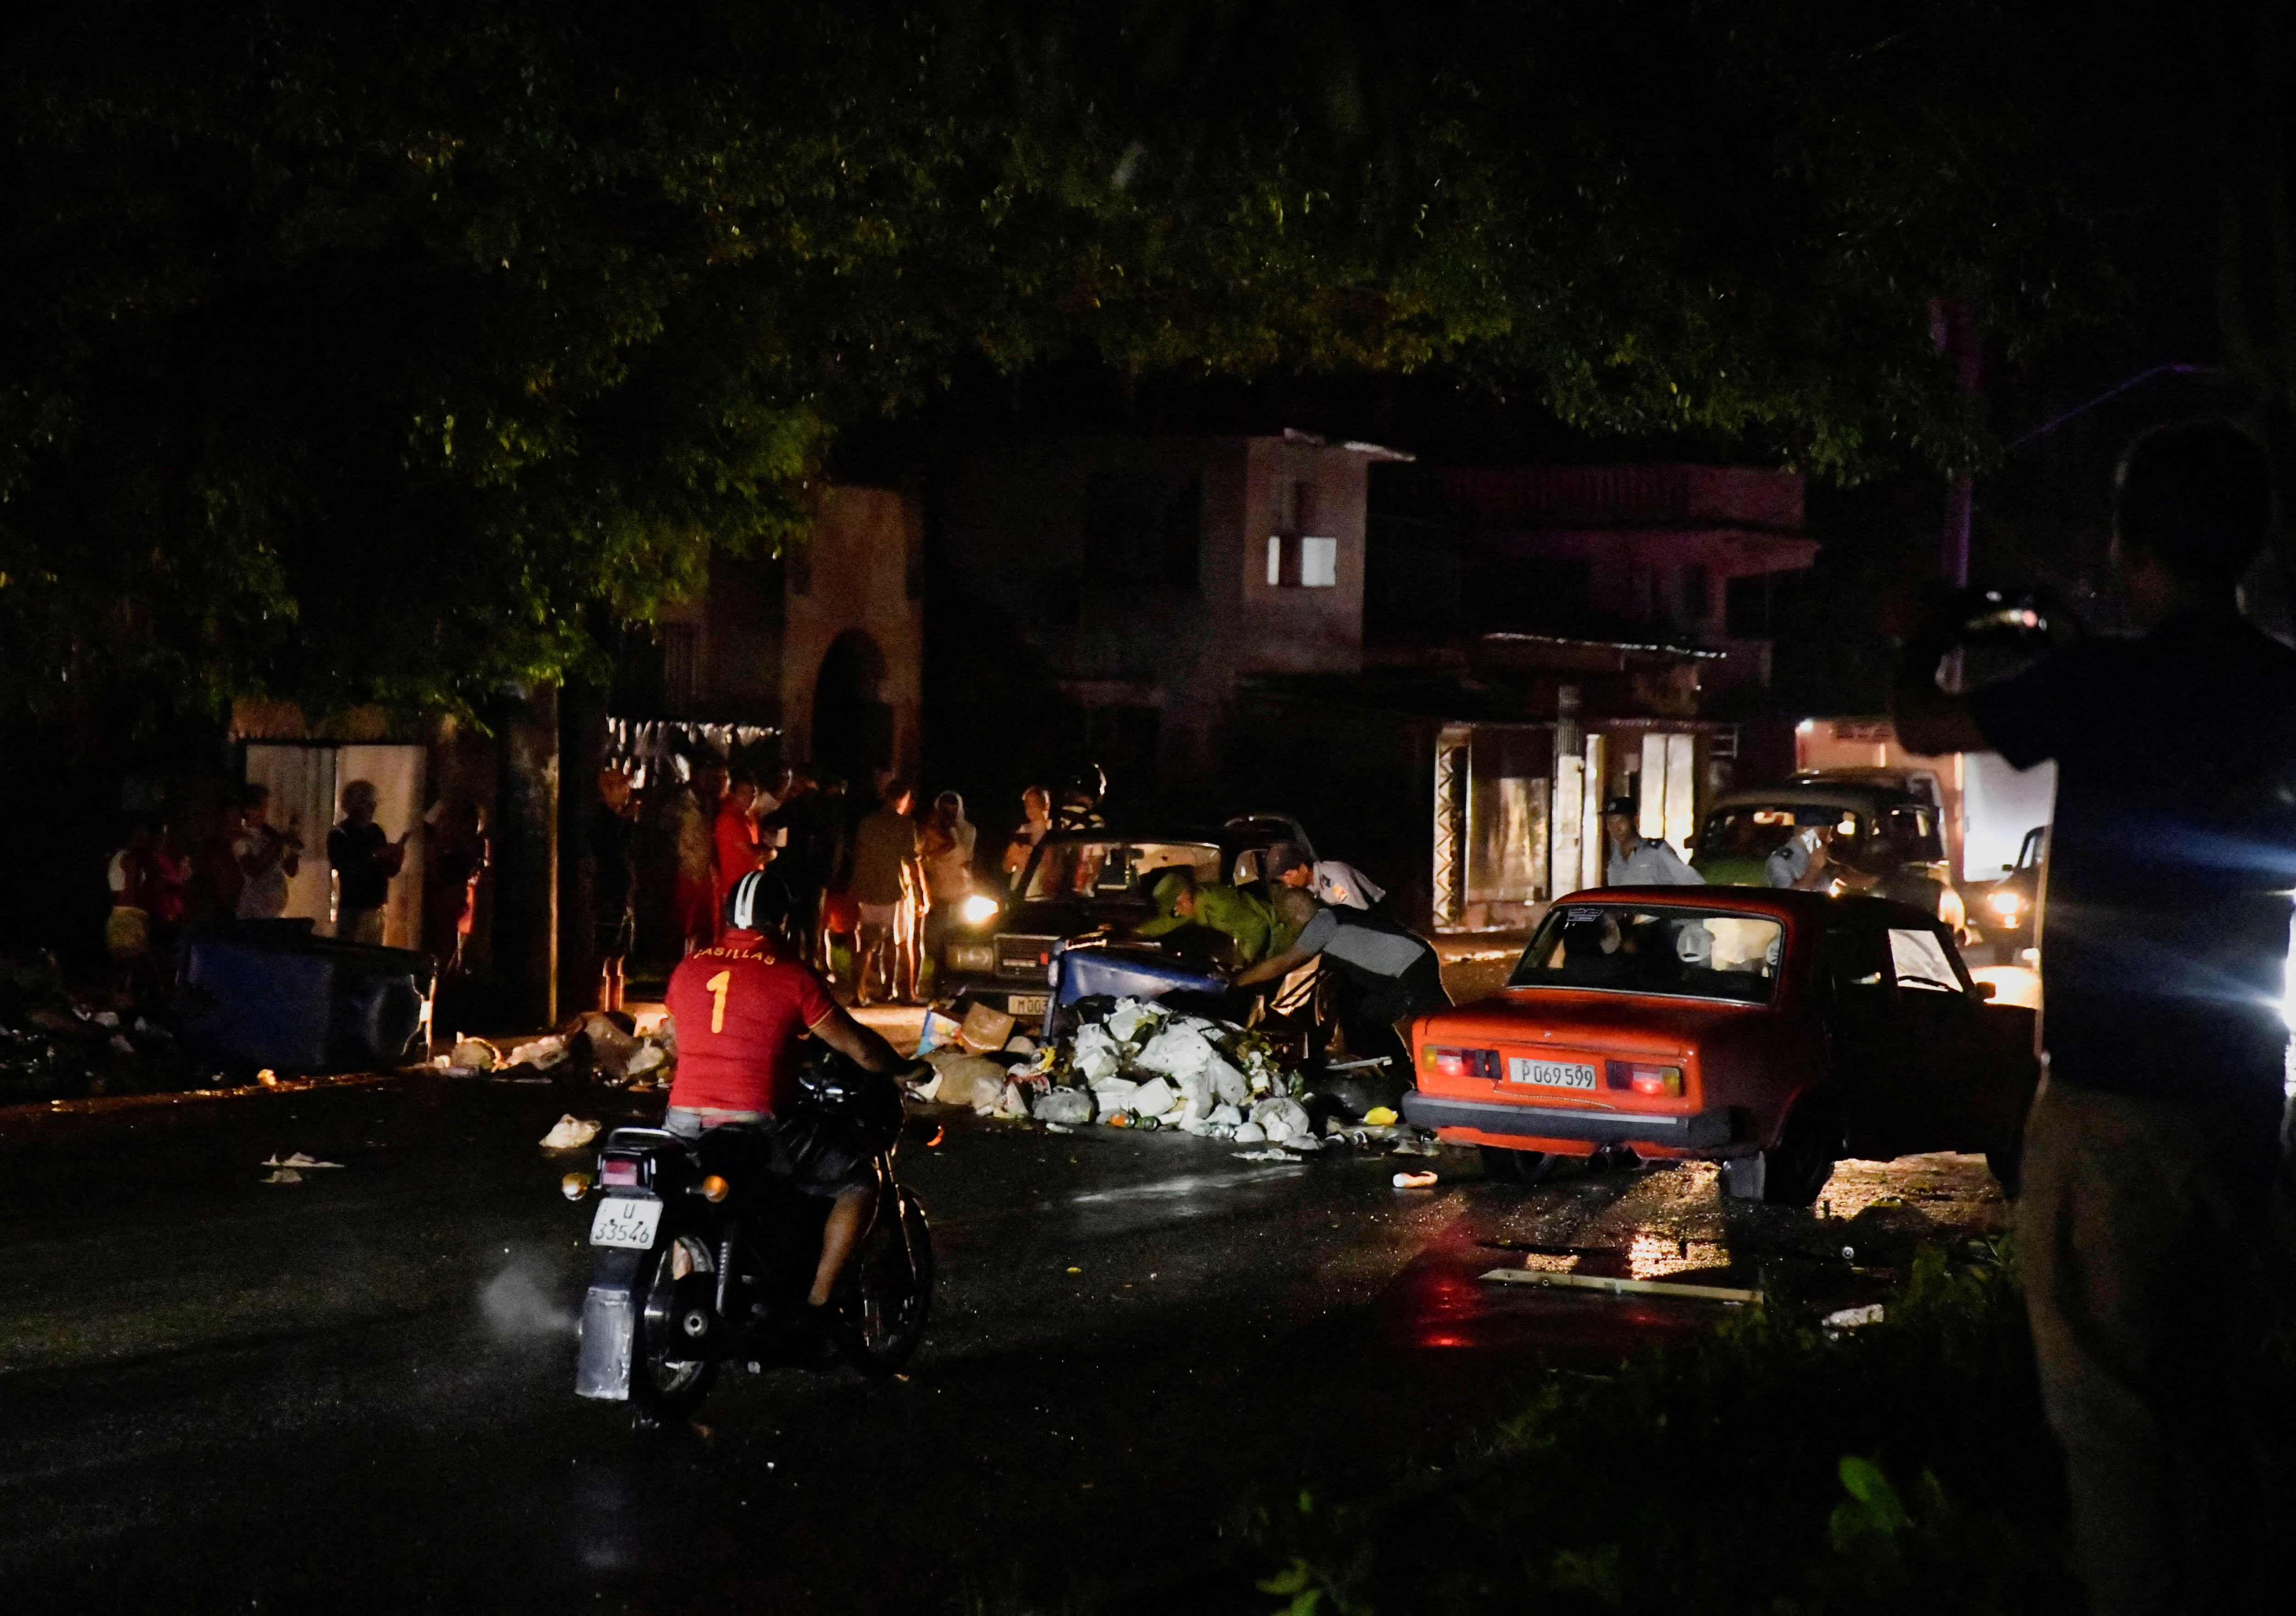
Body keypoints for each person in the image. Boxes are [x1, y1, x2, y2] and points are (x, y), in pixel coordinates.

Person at [1891, 420, 2292, 1616]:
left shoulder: (2103, 683)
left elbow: (1924, 723)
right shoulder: (2280, 683)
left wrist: (1922, 637)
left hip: (2111, 1092)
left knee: (2109, 1410)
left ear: (2136, 548)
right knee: (2231, 1401)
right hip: (2240, 1091)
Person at [662, 870, 909, 1348]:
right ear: (782, 920)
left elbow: (674, 1040)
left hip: (682, 1120)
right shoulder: (791, 974)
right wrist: (905, 1070)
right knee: (859, 1181)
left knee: (682, 1200)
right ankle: (819, 1306)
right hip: (755, 1123)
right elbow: (859, 1049)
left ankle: (684, 1286)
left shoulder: (688, 968)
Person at [1234, 889, 1452, 1075]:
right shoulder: (1336, 915)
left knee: (1436, 1028)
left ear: (1298, 912)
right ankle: (1399, 1069)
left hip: (1410, 965)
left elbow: (1285, 962)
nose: (1289, 927)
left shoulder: (1322, 923)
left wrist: (1239, 981)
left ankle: (1409, 1073)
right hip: (1416, 956)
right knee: (1367, 1018)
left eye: (1287, 920)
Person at [846, 779, 917, 1006]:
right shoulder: (904, 824)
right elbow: (910, 859)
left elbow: (858, 854)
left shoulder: (867, 823)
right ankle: (906, 994)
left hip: (868, 890)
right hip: (894, 889)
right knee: (902, 943)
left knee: (867, 944)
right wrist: (920, 892)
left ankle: (859, 994)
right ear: (901, 799)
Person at [1135, 867, 1278, 968]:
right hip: (1251, 934)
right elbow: (1168, 922)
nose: (1177, 912)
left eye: (1176, 907)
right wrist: (1137, 932)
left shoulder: (1219, 903)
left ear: (1184, 899)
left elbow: (1256, 926)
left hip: (1275, 931)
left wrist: (1248, 961)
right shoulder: (1194, 903)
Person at [327, 781, 407, 945]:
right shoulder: (340, 834)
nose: (373, 808)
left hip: (377, 907)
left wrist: (397, 857)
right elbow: (344, 865)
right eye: (368, 804)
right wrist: (376, 855)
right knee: (352, 957)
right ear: (355, 806)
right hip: (354, 909)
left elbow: (388, 871)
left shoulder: (375, 831)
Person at [591, 768, 640, 1012]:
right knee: (605, 956)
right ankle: (604, 1011)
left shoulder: (615, 819)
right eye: (623, 788)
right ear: (608, 790)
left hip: (621, 893)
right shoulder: (603, 820)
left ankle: (615, 1010)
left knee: (618, 957)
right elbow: (612, 853)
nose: (627, 793)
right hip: (609, 894)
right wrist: (627, 823)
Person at [422, 800, 488, 977]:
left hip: (455, 895)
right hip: (446, 897)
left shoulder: (469, 845)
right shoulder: (442, 844)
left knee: (452, 940)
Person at [670, 754, 727, 953]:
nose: (713, 782)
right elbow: (682, 843)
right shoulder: (684, 805)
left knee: (706, 926)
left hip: (705, 874)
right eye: (710, 776)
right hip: (691, 873)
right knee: (690, 926)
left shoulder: (709, 804)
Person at [916, 790, 976, 963]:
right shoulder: (929, 828)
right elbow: (922, 854)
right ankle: (936, 958)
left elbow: (963, 854)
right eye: (945, 810)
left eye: (952, 810)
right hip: (937, 885)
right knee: (936, 927)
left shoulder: (967, 830)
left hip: (959, 886)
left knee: (960, 926)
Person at [233, 784, 303, 919]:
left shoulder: (270, 837)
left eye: (265, 807)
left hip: (273, 911)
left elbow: (290, 871)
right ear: (247, 810)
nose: (264, 812)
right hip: (253, 912)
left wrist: (294, 849)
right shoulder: (241, 838)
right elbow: (253, 868)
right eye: (260, 807)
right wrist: (280, 841)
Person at [1603, 799, 1704, 886]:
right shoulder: (1614, 861)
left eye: (1621, 821)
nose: (1616, 828)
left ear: (1636, 821)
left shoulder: (1656, 852)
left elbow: (1694, 882)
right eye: (1611, 823)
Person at [714, 771, 767, 919]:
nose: (749, 798)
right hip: (736, 890)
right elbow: (754, 854)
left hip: (748, 887)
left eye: (753, 794)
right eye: (744, 793)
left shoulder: (746, 818)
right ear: (732, 793)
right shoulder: (728, 820)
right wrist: (772, 852)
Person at [187, 794, 247, 924]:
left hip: (230, 912)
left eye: (239, 814)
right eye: (234, 814)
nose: (239, 819)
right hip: (216, 915)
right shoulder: (214, 847)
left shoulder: (237, 845)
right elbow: (221, 882)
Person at [1002, 784, 1053, 885]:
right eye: (1027, 805)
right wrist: (1011, 858)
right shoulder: (1022, 832)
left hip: (1042, 888)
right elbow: (1007, 868)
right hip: (1021, 887)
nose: (1031, 809)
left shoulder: (1054, 831)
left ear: (1046, 805)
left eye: (1035, 804)